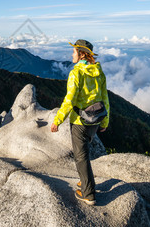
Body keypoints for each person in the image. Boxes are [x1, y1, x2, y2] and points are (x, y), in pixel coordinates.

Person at [50, 39, 110, 206]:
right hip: (96, 119)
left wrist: (58, 120)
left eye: (74, 52)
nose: (72, 54)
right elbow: (105, 98)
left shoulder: (76, 73)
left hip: (80, 121)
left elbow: (69, 100)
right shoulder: (99, 72)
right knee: (85, 153)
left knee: (80, 157)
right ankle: (85, 181)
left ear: (82, 54)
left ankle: (88, 193)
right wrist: (105, 121)